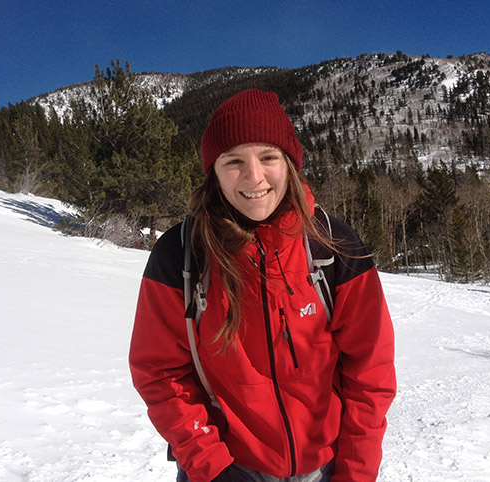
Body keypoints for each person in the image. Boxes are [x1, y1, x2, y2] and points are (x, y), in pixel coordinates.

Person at [129, 89, 396, 482]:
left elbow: (370, 372)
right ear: (214, 173)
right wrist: (211, 466)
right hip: (225, 469)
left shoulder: (331, 246)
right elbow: (160, 372)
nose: (254, 177)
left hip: (324, 468)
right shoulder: (181, 254)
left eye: (268, 157)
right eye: (234, 161)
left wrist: (355, 472)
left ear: (289, 164)